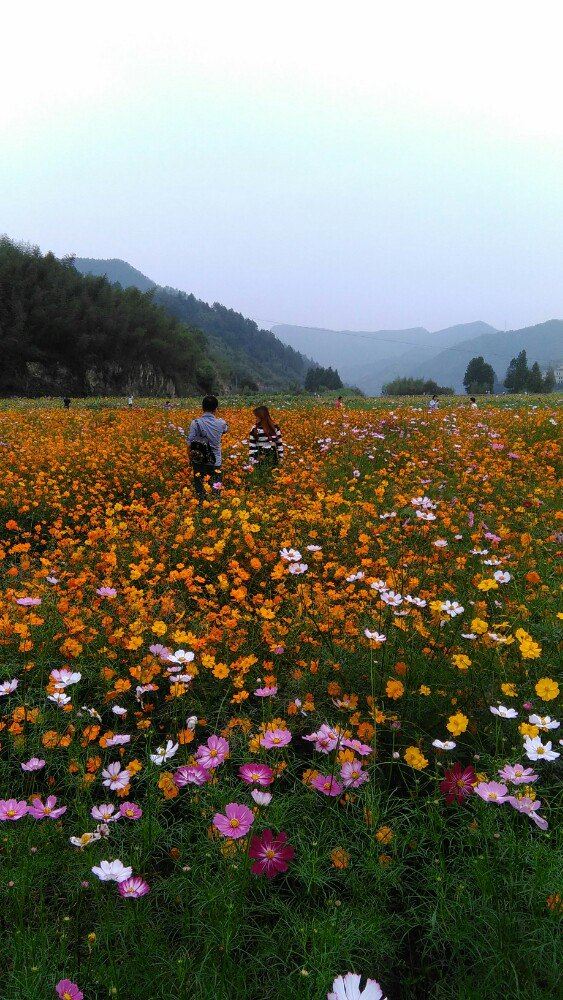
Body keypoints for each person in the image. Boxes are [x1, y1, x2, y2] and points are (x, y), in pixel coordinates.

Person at [188, 395, 228, 501]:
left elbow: (190, 443)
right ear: (216, 408)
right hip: (215, 461)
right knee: (216, 489)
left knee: (200, 488)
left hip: (198, 460)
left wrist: (190, 459)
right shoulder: (222, 423)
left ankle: (202, 505)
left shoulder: (195, 423)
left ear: (202, 407)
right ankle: (215, 506)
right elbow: (225, 430)